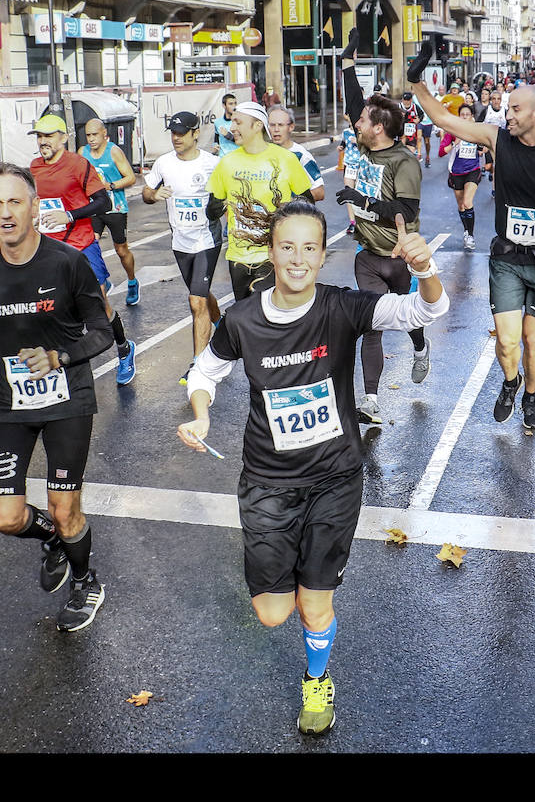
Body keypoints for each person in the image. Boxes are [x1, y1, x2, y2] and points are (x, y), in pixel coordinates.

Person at [176, 200, 449, 735]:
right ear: (270, 252)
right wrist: (201, 415)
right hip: (267, 483)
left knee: (314, 607)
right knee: (272, 613)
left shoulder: (342, 308)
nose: (297, 258)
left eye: (309, 248)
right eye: (287, 247)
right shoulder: (242, 319)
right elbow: (205, 370)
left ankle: (316, 680)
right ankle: (285, 568)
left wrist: (426, 270)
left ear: (324, 256)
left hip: (334, 479)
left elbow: (423, 312)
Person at [408, 40, 535, 431]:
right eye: (506, 108)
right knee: (508, 341)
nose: (506, 114)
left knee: (532, 338)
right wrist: (416, 82)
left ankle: (530, 397)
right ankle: (510, 384)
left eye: (515, 109)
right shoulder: (497, 138)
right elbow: (445, 120)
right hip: (508, 257)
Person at [0, 162, 114, 631]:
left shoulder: (67, 262)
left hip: (67, 399)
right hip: (9, 404)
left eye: (14, 201)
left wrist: (59, 357)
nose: (5, 213)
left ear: (33, 206)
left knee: (65, 506)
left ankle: (86, 580)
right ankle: (52, 538)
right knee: (4, 517)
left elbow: (102, 332)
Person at [334, 28, 432, 424]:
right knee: (370, 323)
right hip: (368, 257)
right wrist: (348, 61)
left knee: (408, 316)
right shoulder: (361, 143)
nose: (357, 122)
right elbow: (354, 101)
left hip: (399, 255)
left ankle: (421, 347)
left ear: (379, 127)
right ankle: (371, 401)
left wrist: (364, 202)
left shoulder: (403, 161)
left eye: (364, 121)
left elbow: (406, 210)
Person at [28, 114, 136, 386]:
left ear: (63, 138)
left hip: (81, 244)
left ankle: (124, 349)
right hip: (49, 249)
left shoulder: (78, 164)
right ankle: (64, 362)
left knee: (99, 306)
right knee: (52, 307)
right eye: (40, 136)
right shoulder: (34, 168)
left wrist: (70, 216)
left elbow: (101, 202)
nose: (43, 141)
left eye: (49, 135)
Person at [142, 112, 223, 384]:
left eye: (181, 132)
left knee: (195, 301)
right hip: (180, 242)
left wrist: (220, 205)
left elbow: (226, 195)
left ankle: (198, 366)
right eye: (173, 133)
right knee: (200, 294)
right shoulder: (164, 163)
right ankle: (221, 327)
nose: (176, 137)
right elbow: (146, 193)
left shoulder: (212, 163)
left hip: (206, 239)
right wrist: (153, 195)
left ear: (195, 133)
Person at [205, 101, 314, 301]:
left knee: (267, 314)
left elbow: (308, 206)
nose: (232, 128)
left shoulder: (285, 159)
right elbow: (211, 212)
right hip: (238, 259)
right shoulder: (227, 163)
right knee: (245, 315)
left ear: (257, 125)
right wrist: (223, 203)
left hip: (273, 257)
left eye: (238, 122)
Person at [79, 118, 140, 306]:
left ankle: (132, 281)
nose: (91, 139)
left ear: (104, 134)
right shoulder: (83, 152)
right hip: (93, 207)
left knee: (121, 250)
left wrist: (110, 186)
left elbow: (131, 178)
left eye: (94, 135)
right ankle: (103, 279)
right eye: (88, 135)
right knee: (89, 245)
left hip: (115, 207)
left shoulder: (113, 151)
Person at [438, 104, 482, 251]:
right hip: (456, 173)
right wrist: (453, 143)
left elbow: (485, 149)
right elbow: (441, 152)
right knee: (461, 205)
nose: (464, 117)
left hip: (473, 170)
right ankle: (466, 230)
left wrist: (482, 148)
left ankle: (470, 235)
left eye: (467, 114)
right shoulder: (452, 132)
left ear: (471, 117)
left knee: (468, 202)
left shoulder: (477, 131)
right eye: (462, 114)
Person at [267, 105, 326, 201]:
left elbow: (319, 192)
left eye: (281, 125)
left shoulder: (301, 155)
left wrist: (290, 202)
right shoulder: (264, 153)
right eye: (272, 125)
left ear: (291, 127)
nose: (276, 129)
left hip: (292, 213)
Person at [336, 113, 361, 233]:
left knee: (361, 193)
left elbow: (370, 147)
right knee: (349, 193)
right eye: (349, 117)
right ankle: (352, 222)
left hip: (361, 166)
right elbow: (343, 143)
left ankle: (363, 221)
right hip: (349, 165)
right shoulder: (346, 132)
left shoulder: (362, 132)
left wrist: (358, 141)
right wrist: (341, 147)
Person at [398, 92, 422, 159]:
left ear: (411, 100)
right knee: (401, 149)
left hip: (411, 131)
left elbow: (421, 115)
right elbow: (391, 116)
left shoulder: (415, 107)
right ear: (402, 99)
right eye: (404, 100)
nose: (406, 102)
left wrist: (418, 120)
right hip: (401, 131)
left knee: (411, 149)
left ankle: (411, 160)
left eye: (408, 100)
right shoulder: (398, 106)